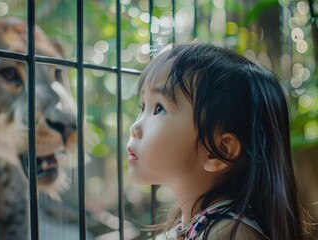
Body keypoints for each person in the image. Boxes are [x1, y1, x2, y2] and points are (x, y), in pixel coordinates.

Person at [126, 43, 313, 240]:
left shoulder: (228, 234)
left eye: (159, 109)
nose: (134, 128)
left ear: (219, 151)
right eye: (143, 106)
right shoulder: (197, 227)